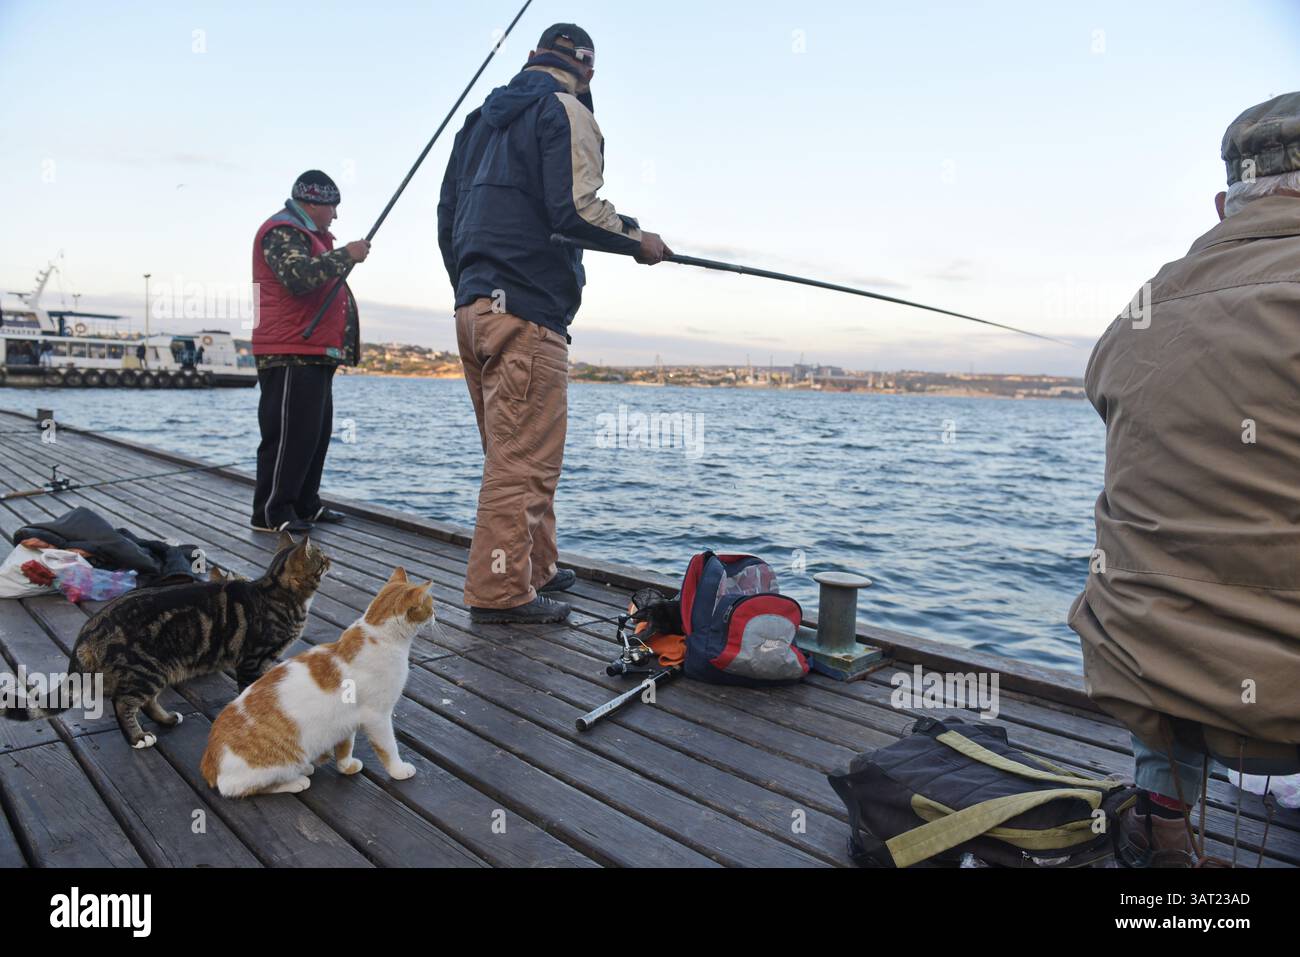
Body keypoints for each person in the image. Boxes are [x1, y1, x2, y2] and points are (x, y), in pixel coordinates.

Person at [1070, 92, 1300, 865]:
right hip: (1286, 706)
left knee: (1164, 569)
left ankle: (1164, 818)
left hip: (1151, 679)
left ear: (1222, 203)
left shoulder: (1137, 312)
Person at [438, 23, 671, 624]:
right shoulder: (564, 110)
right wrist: (636, 239)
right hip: (527, 313)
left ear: (532, 58)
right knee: (523, 464)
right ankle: (499, 593)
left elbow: (448, 218)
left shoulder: (477, 123)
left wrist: (470, 289)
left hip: (474, 311)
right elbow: (575, 210)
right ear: (587, 70)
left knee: (514, 454)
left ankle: (536, 568)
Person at [250, 170, 369, 534]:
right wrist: (345, 255)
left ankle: (304, 502)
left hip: (314, 351)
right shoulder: (283, 231)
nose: (335, 215)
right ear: (312, 203)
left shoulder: (313, 237)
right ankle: (271, 512)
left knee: (313, 433)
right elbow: (298, 277)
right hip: (288, 351)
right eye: (332, 206)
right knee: (287, 435)